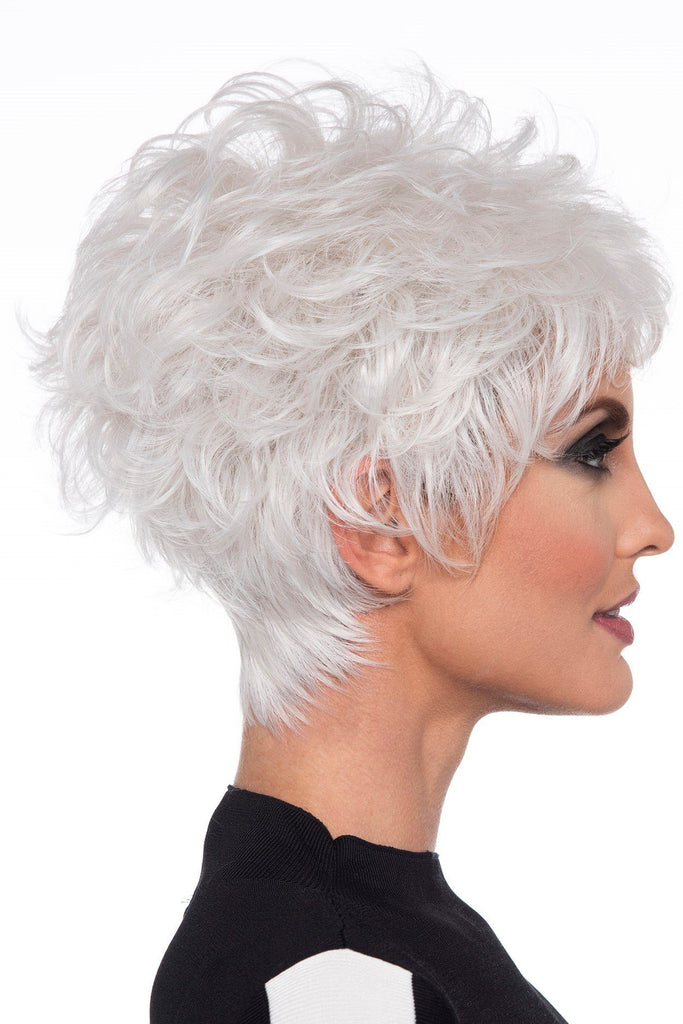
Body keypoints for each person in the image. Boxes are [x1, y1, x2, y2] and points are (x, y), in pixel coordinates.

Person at [23, 59, 675, 1023]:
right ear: (383, 519)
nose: (653, 528)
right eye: (589, 452)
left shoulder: (369, 939)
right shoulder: (335, 977)